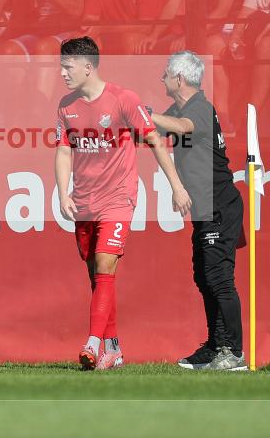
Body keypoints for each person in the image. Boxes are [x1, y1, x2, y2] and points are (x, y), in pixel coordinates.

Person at [55, 36, 191, 370]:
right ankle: (113, 347)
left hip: (119, 196)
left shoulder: (123, 100)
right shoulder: (65, 106)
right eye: (61, 67)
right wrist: (62, 192)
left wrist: (176, 186)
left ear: (88, 67)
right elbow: (62, 150)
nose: (62, 73)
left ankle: (92, 344)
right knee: (97, 275)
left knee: (104, 263)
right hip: (84, 199)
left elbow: (155, 142)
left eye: (68, 67)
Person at [150, 51, 246, 372]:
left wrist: (147, 115)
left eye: (165, 73)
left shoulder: (199, 109)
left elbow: (180, 126)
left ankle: (233, 353)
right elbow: (155, 130)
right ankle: (215, 346)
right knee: (204, 276)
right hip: (206, 209)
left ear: (179, 79)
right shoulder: (180, 107)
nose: (161, 77)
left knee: (219, 279)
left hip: (219, 206)